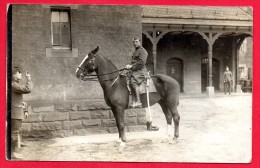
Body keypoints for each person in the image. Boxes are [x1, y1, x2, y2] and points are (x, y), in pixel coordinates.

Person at [11, 67, 33, 159]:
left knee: (16, 132)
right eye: (18, 73)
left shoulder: (15, 84)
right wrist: (29, 79)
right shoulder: (13, 85)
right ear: (13, 75)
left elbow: (18, 100)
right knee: (14, 133)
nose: (20, 74)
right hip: (14, 113)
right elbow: (27, 89)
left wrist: (25, 110)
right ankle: (12, 153)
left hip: (17, 112)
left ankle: (16, 148)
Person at [125, 37, 148, 108]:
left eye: (136, 41)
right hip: (135, 70)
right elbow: (133, 62)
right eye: (133, 42)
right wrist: (129, 66)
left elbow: (141, 63)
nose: (135, 43)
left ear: (140, 42)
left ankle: (138, 101)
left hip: (141, 70)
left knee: (133, 81)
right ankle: (133, 101)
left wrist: (131, 66)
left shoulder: (143, 51)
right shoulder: (135, 52)